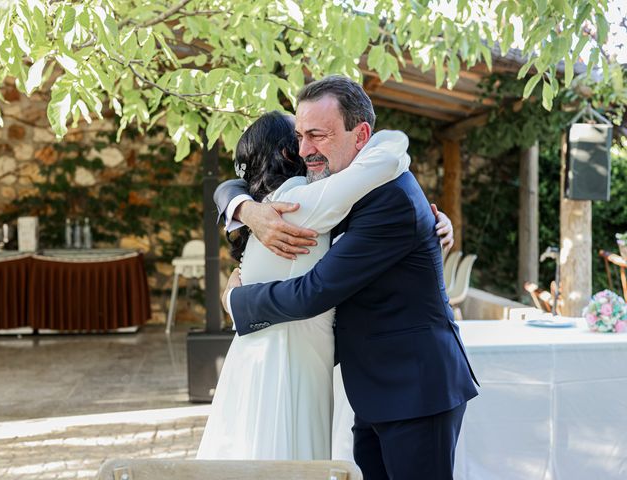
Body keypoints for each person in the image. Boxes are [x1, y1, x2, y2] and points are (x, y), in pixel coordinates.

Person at [219, 75, 478, 479]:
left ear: (361, 135)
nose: (305, 150)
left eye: (317, 135)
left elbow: (316, 291)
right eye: (300, 136)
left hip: (415, 389)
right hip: (377, 389)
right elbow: (242, 178)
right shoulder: (340, 188)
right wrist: (241, 206)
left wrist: (237, 301)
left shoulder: (389, 197)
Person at [197, 111, 415, 459]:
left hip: (253, 358)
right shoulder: (300, 201)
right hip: (290, 366)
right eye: (299, 140)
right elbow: (391, 153)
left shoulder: (265, 207)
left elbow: (229, 189)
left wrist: (241, 206)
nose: (307, 148)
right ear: (286, 153)